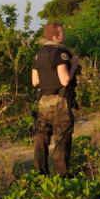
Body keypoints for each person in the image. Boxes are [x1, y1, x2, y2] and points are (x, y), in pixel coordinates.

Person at [31, 23, 78, 176]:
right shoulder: (61, 54)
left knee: (41, 139)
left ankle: (40, 174)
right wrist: (73, 66)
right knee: (61, 139)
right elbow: (64, 80)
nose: (63, 35)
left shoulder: (38, 54)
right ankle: (62, 177)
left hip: (43, 101)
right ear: (56, 36)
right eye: (61, 32)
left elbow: (35, 82)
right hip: (60, 101)